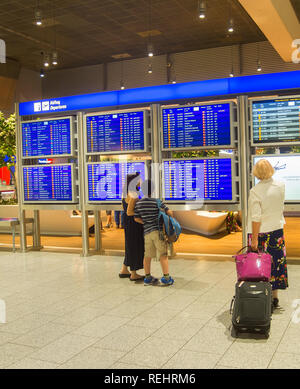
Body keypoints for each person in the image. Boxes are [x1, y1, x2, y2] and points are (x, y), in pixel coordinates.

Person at [248, 159, 288, 310]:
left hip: (262, 233)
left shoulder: (255, 191)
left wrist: (254, 240)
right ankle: (275, 297)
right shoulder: (281, 186)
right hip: (277, 231)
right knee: (276, 264)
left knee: (261, 266)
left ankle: (263, 297)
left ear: (256, 173)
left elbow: (256, 217)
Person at [134, 179, 174, 286]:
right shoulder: (157, 201)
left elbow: (136, 218)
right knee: (163, 255)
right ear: (153, 190)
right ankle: (166, 278)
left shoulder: (139, 203)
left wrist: (146, 222)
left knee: (147, 255)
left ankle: (147, 277)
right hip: (158, 232)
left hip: (147, 232)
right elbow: (169, 212)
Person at [119, 172, 145, 281]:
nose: (141, 181)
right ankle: (134, 274)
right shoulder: (133, 194)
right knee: (134, 246)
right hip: (133, 223)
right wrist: (142, 218)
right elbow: (130, 212)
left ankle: (124, 270)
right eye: (139, 179)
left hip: (127, 222)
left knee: (129, 246)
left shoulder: (125, 192)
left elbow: (125, 209)